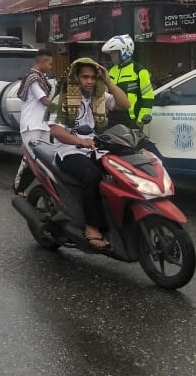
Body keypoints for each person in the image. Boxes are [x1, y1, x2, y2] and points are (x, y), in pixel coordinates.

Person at [47, 58, 129, 250]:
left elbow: (125, 104)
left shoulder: (99, 96)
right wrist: (80, 141)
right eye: (85, 77)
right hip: (68, 150)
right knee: (92, 176)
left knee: (121, 172)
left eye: (93, 77)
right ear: (76, 77)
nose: (90, 81)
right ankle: (91, 226)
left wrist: (108, 81)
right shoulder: (61, 99)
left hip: (95, 148)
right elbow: (56, 131)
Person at [13, 50, 54, 196]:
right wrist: (63, 107)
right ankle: (19, 187)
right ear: (41, 62)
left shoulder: (41, 78)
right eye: (49, 63)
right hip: (31, 124)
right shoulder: (33, 78)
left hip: (43, 124)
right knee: (30, 158)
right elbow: (44, 100)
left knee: (46, 157)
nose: (50, 67)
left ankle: (48, 188)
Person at [102, 34, 154, 128]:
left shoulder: (139, 71)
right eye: (111, 53)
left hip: (131, 120)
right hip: (112, 119)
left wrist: (141, 119)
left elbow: (148, 97)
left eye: (114, 53)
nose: (111, 56)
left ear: (124, 52)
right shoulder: (110, 71)